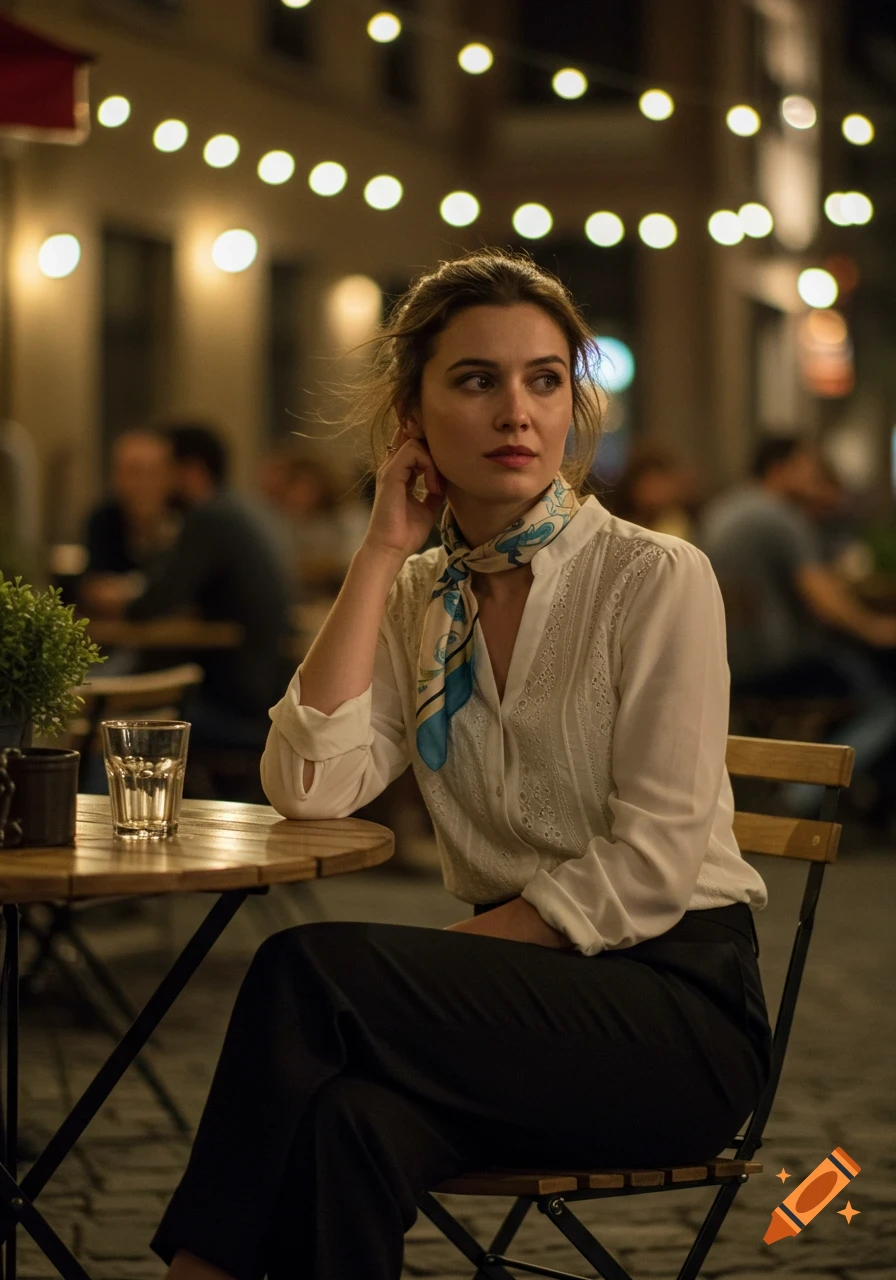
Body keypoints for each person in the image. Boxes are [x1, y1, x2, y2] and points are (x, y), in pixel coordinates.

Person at [151, 249, 773, 1280]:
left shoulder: (655, 576)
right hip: (510, 1009)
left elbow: (656, 858)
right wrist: (378, 554)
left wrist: (452, 960)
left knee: (306, 968)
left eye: (543, 378)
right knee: (345, 1120)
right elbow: (309, 785)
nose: (516, 411)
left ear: (574, 401)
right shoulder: (418, 598)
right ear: (412, 411)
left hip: (672, 1017)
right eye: (475, 380)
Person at [700, 435, 896, 803]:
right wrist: (878, 629)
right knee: (885, 698)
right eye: (807, 469)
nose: (815, 478)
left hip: (726, 662)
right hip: (776, 663)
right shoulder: (781, 517)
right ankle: (806, 791)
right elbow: (826, 603)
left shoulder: (723, 508)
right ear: (781, 469)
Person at [117, 422, 293, 749]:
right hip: (267, 687)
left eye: (165, 468)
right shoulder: (236, 510)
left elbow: (149, 605)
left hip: (237, 700)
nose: (160, 481)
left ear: (191, 471)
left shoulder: (210, 519)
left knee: (120, 715)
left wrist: (116, 597)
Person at [79, 427, 180, 617]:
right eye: (132, 472)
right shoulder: (103, 520)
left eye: (152, 472)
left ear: (169, 476)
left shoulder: (188, 520)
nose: (141, 484)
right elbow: (95, 590)